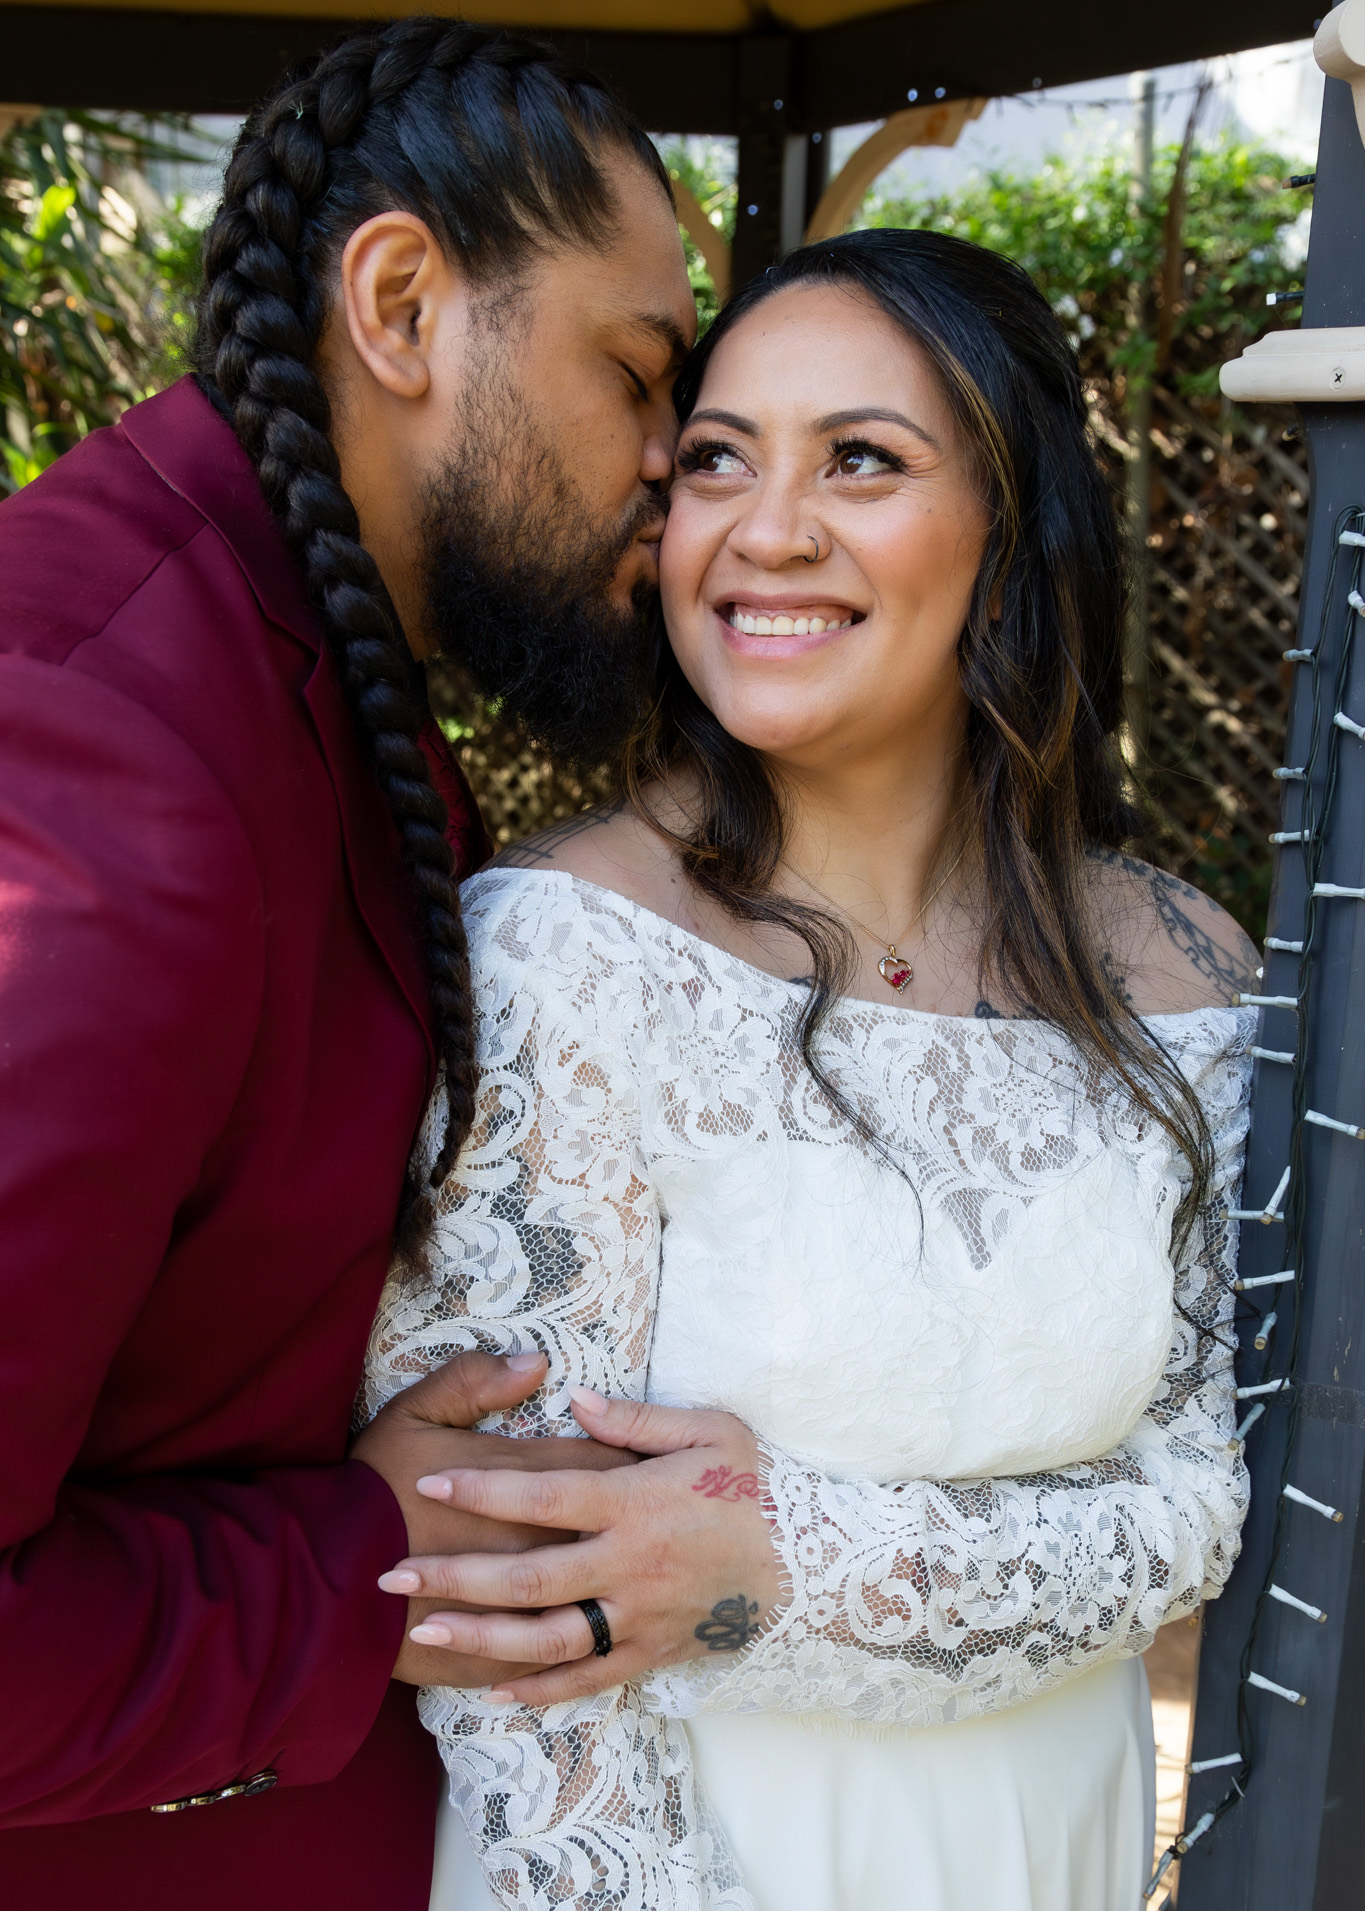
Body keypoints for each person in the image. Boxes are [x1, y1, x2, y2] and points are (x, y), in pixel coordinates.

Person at [363, 229, 1259, 1911]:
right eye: (716, 460)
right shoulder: (560, 955)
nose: (765, 531)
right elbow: (498, 1635)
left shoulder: (1184, 977)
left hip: (1044, 1850)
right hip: (661, 1859)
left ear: (1010, 532)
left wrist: (795, 1562)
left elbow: (1209, 1505)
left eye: (860, 459)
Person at [0, 21, 694, 1910]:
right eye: (634, 374)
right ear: (402, 301)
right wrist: (365, 1569)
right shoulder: (98, 760)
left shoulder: (300, 676)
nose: (668, 467)